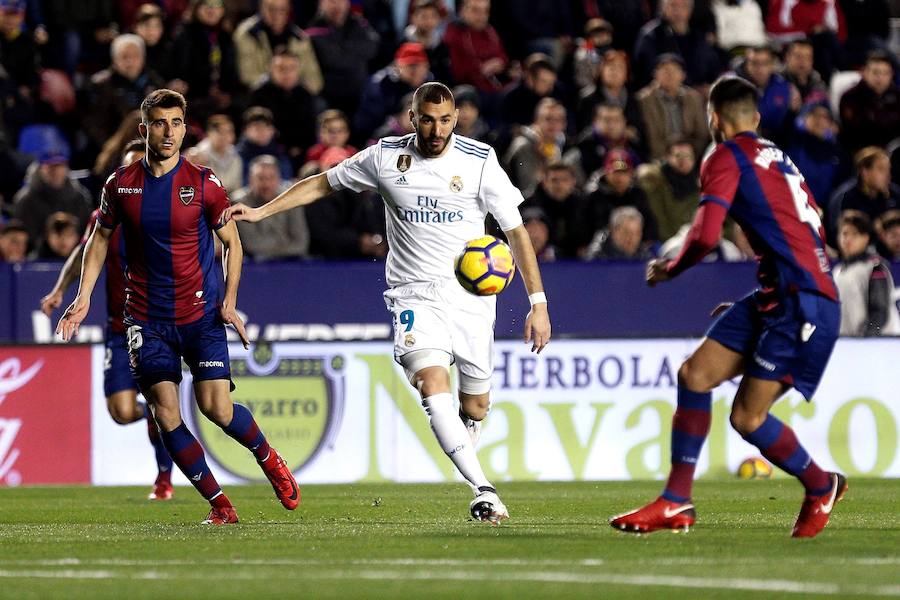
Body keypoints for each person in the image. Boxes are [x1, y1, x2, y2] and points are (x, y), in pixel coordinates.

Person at [224, 82, 551, 524]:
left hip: (472, 300)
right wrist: (263, 211)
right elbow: (323, 183)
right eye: (428, 120)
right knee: (432, 385)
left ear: (456, 119)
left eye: (446, 120)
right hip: (412, 295)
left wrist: (538, 302)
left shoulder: (479, 161)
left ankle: (464, 435)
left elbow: (515, 233)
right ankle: (484, 490)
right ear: (412, 118)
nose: (437, 130)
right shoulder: (384, 157)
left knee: (475, 406)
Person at [610, 76, 846, 538]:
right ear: (755, 119)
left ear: (713, 119)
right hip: (786, 294)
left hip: (801, 303)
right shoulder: (778, 158)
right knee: (694, 375)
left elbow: (704, 234)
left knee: (747, 417)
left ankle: (821, 484)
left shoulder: (725, 156)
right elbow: (804, 227)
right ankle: (676, 501)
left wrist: (669, 270)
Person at [56, 89, 300, 526]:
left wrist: (229, 301)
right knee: (166, 413)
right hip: (146, 321)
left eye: (176, 123)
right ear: (144, 129)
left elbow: (233, 245)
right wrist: (82, 298)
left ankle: (269, 459)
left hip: (200, 316)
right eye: (159, 123)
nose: (168, 132)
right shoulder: (121, 185)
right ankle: (220, 504)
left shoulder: (204, 183)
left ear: (185, 129)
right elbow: (98, 242)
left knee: (217, 410)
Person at [40, 140, 176, 500]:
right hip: (119, 327)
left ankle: (164, 477)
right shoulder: (107, 214)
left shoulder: (168, 213)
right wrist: (60, 291)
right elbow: (83, 255)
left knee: (164, 402)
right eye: (131, 168)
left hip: (156, 324)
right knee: (121, 411)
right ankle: (155, 416)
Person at [833, 210, 900, 336]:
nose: (848, 239)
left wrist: (865, 339)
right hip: (847, 345)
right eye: (844, 234)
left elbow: (879, 312)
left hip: (877, 345)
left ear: (865, 238)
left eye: (854, 234)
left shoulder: (875, 267)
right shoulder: (837, 271)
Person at [232, 155, 309, 261]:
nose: (266, 184)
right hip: (254, 266)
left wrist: (271, 251)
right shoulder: (239, 203)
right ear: (250, 180)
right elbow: (251, 245)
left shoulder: (292, 200)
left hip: (291, 263)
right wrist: (284, 244)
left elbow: (301, 244)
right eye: (260, 178)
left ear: (279, 179)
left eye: (271, 178)